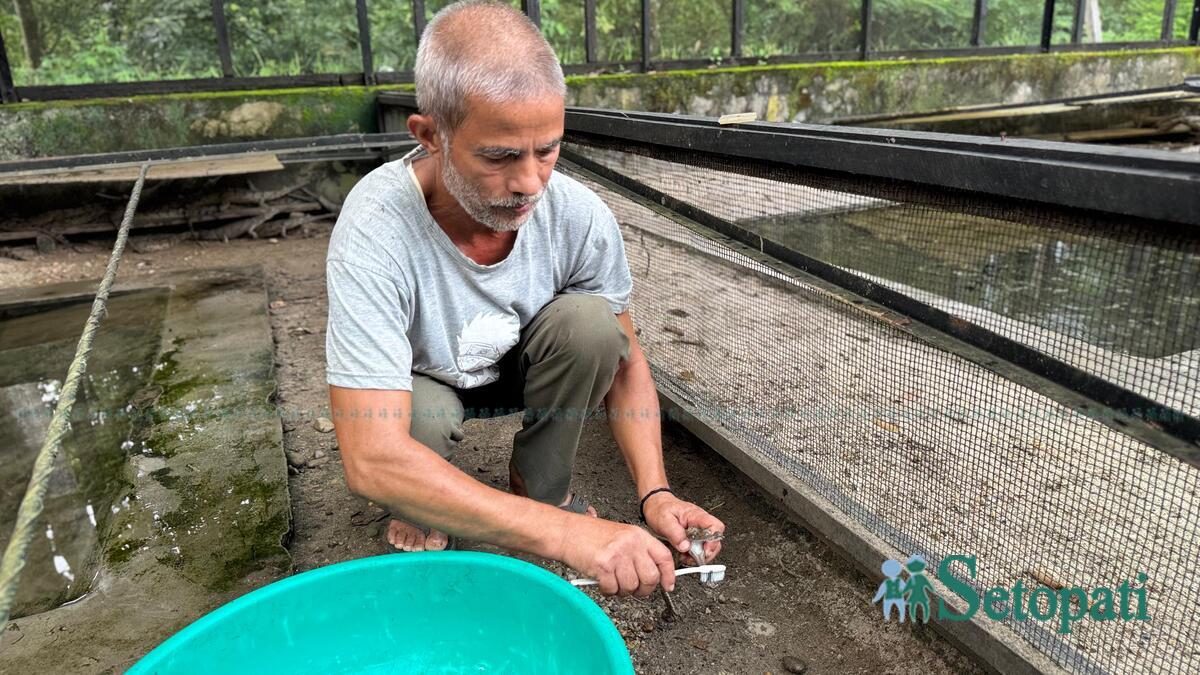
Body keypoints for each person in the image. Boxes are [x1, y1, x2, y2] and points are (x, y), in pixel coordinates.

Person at [324, 0, 724, 597]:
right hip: (421, 381)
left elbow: (626, 365)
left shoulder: (578, 214)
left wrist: (655, 492)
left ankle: (538, 486)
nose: (530, 183)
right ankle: (426, 499)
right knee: (413, 424)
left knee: (595, 328)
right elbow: (370, 458)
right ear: (430, 136)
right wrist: (567, 536)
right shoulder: (375, 229)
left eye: (548, 150)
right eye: (500, 156)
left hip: (521, 365)